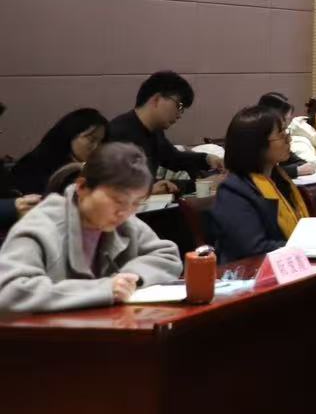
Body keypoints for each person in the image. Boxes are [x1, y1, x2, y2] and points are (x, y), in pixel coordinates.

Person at [0, 143, 182, 313]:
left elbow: (166, 255)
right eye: (117, 200)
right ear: (82, 187)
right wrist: (104, 289)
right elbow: (9, 290)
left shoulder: (125, 223)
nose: (125, 212)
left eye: (136, 203)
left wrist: (132, 278)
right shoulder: (42, 226)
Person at [205, 105, 310, 262]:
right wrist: (306, 247)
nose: (289, 139)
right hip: (254, 271)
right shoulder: (234, 191)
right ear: (256, 143)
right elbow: (252, 248)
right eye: (282, 134)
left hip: (293, 262)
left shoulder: (280, 180)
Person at [104, 71, 221, 191]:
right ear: (156, 99)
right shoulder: (120, 133)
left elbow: (174, 158)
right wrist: (201, 184)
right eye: (179, 106)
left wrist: (208, 159)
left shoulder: (154, 131)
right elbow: (139, 187)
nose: (180, 115)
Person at [8, 108, 109, 199]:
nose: (96, 147)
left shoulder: (97, 168)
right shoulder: (35, 164)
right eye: (91, 140)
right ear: (71, 134)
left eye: (101, 142)